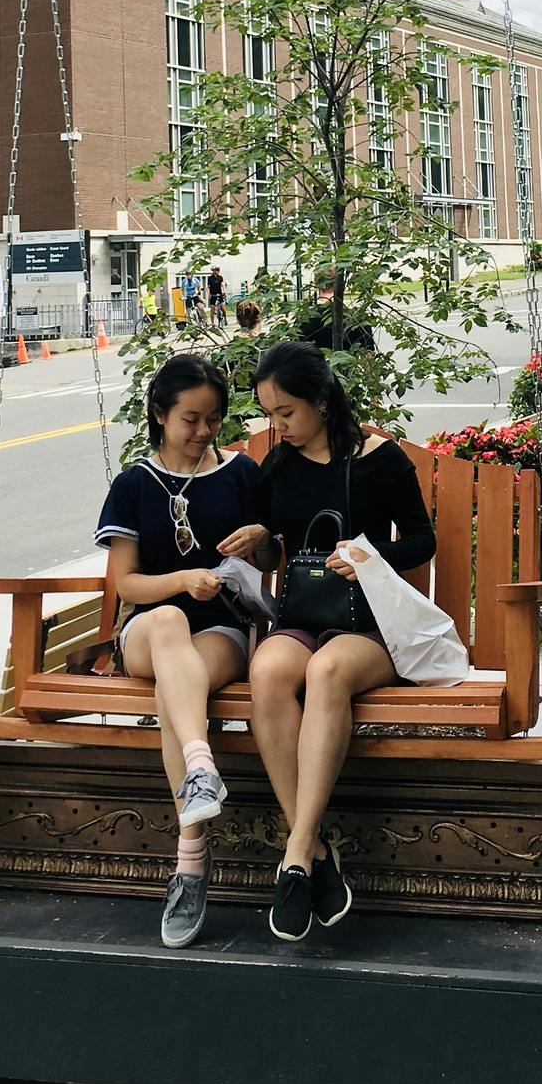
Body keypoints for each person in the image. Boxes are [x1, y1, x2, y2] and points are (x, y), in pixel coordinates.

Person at [217, 340, 435, 944]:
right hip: (304, 615)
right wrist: (261, 535)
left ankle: (294, 856)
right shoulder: (277, 466)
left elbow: (422, 540)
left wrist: (369, 556)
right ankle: (312, 851)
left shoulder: (380, 460)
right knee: (268, 670)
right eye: (268, 413)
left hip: (371, 625)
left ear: (320, 399)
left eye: (286, 412)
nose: (276, 425)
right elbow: (267, 553)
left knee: (327, 673)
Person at [95, 354, 265, 950]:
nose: (203, 431)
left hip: (221, 632)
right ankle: (200, 765)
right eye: (190, 419)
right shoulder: (136, 483)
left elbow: (268, 565)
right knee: (167, 622)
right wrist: (184, 580)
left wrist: (260, 540)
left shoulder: (241, 475)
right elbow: (128, 585)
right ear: (159, 415)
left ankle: (190, 857)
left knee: (180, 687)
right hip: (150, 629)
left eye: (214, 419)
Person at [295, 269, 375, 354]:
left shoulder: (303, 319)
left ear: (317, 286)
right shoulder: (358, 320)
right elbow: (369, 359)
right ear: (342, 286)